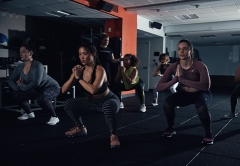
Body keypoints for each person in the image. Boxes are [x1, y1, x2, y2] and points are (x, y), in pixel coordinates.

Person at [62, 42, 120, 148]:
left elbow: (93, 90)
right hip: (93, 102)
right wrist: (73, 76)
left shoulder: (100, 70)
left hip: (109, 99)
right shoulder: (80, 70)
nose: (82, 57)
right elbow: (63, 90)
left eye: (84, 53)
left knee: (107, 107)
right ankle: (80, 128)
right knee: (68, 104)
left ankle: (114, 135)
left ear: (93, 54)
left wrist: (79, 78)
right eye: (80, 54)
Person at [156, 39, 213, 144]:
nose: (181, 51)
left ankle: (208, 132)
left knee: (202, 108)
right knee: (167, 103)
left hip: (201, 93)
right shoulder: (173, 67)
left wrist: (182, 80)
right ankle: (170, 128)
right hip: (184, 94)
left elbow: (205, 86)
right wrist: (174, 80)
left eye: (185, 49)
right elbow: (159, 87)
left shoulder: (200, 66)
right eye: (179, 49)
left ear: (190, 51)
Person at [8, 44, 60, 125]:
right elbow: (11, 80)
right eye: (20, 52)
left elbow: (36, 82)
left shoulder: (37, 65)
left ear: (30, 53)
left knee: (41, 99)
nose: (20, 54)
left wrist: (22, 86)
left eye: (23, 52)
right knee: (15, 95)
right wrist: (18, 88)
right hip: (35, 89)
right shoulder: (19, 67)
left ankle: (54, 117)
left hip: (51, 87)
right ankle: (29, 113)